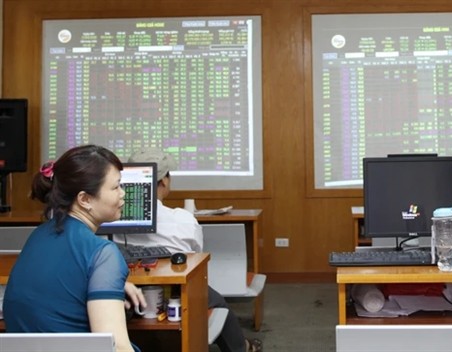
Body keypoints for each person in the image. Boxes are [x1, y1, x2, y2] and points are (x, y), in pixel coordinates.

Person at [114, 147, 262, 352]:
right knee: (217, 302)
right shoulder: (182, 219)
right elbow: (195, 255)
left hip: (123, 292)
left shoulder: (109, 220)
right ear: (165, 181)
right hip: (176, 292)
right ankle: (242, 347)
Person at [2, 145, 147, 352]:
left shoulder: (38, 235)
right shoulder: (103, 254)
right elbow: (118, 348)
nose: (123, 194)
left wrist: (109, 282)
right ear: (84, 200)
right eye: (115, 187)